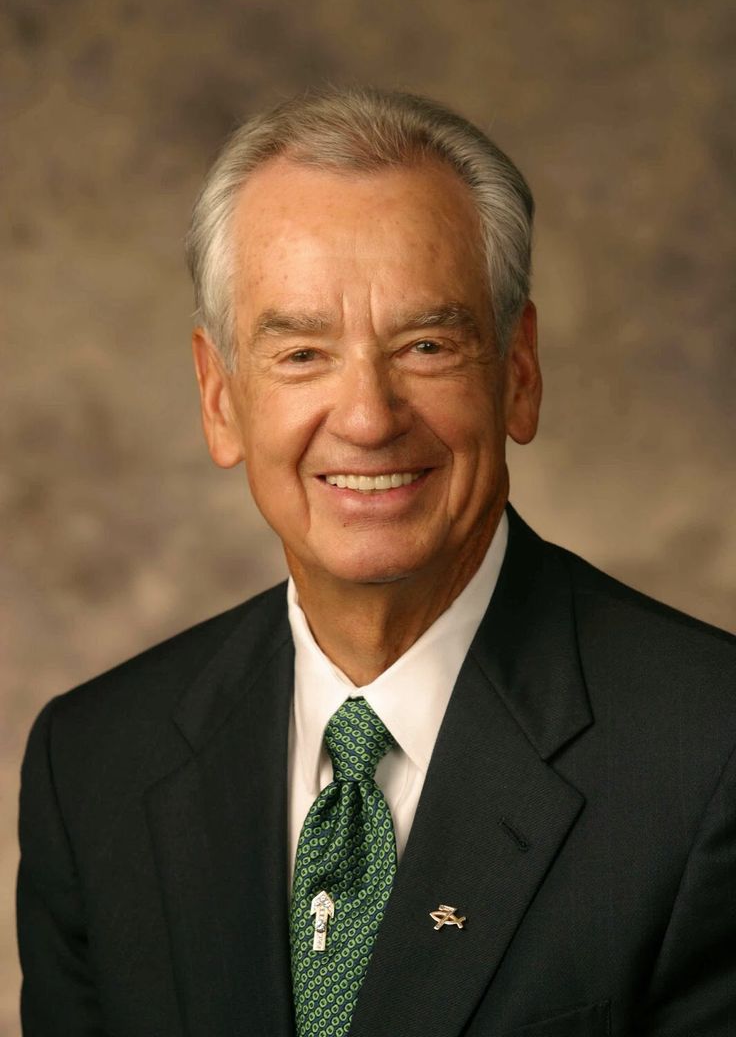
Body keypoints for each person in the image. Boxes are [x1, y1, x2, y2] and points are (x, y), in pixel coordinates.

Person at [17, 87, 735, 1037]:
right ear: (220, 396)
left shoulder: (708, 752)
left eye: (427, 344)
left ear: (518, 374)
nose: (367, 417)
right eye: (304, 353)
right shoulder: (97, 763)